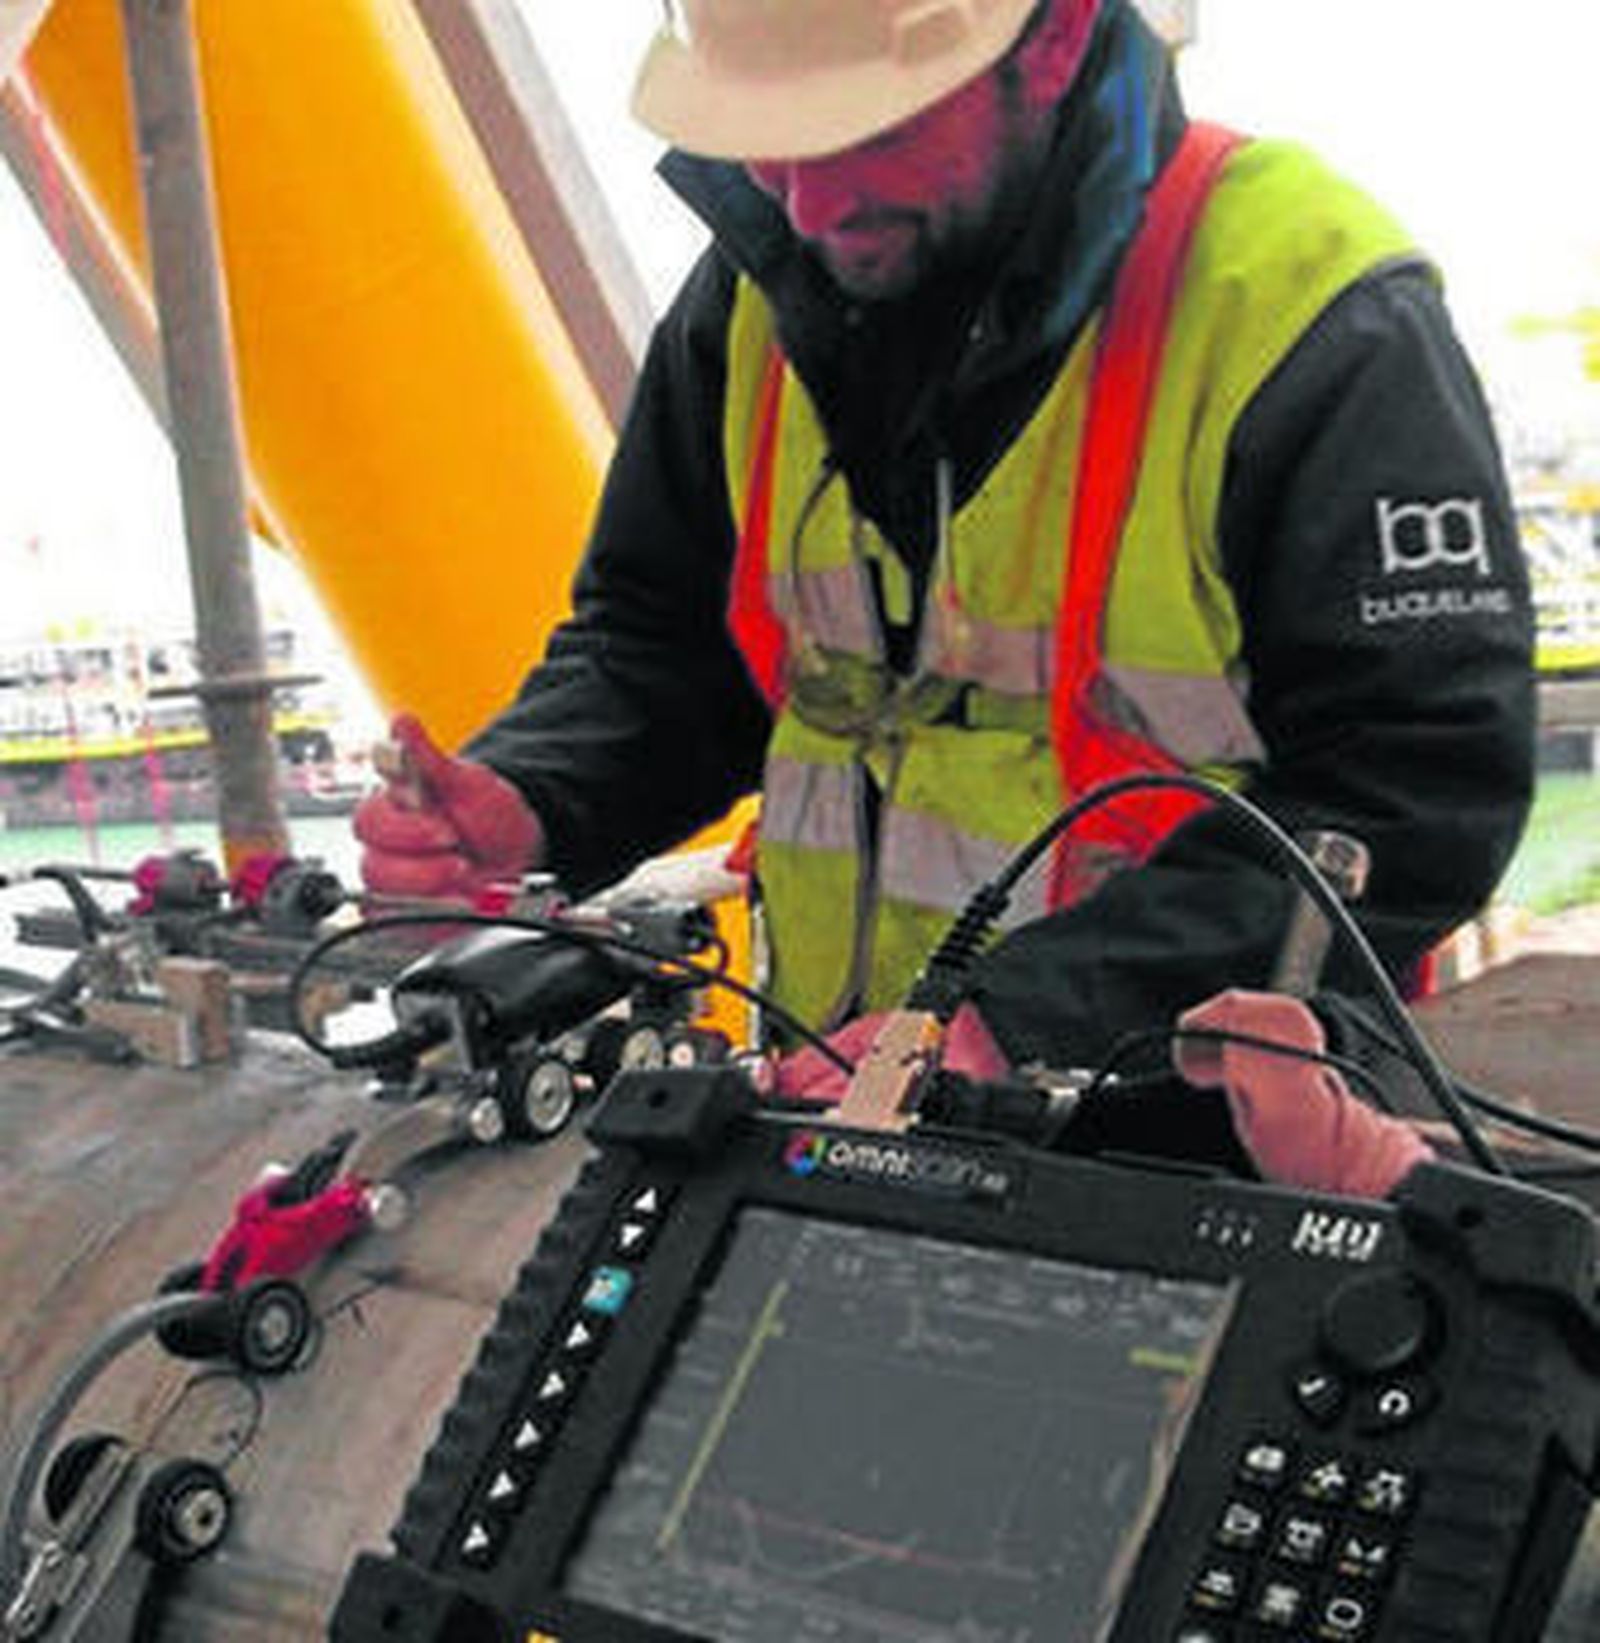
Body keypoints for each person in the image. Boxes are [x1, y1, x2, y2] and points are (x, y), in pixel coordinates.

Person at [356, 0, 1534, 1088]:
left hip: (1211, 1144)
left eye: (868, 131)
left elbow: (1409, 790)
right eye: (771, 140)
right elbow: (666, 650)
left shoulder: (1304, 306)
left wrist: (1021, 1018)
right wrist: (531, 793)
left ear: (1058, 35)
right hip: (841, 1110)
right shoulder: (760, 290)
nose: (809, 206)